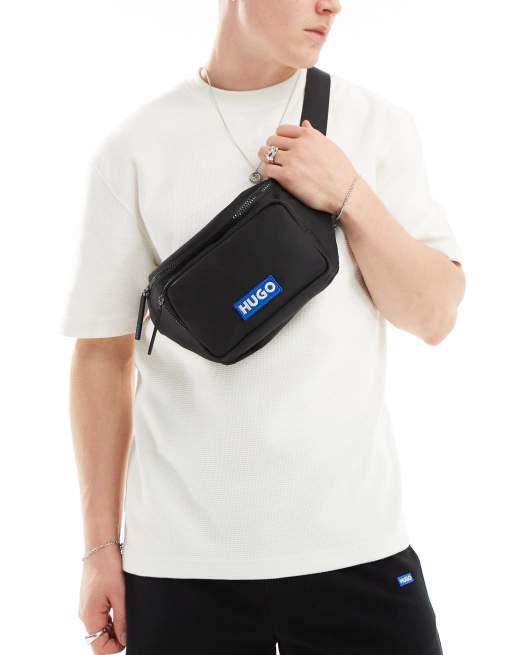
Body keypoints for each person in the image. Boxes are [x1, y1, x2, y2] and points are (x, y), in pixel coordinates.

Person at [59, 1, 466, 653]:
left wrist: (349, 193)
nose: (331, 4)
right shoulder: (135, 147)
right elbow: (102, 357)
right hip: (180, 567)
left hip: (356, 549)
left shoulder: (374, 124)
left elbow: (434, 315)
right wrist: (98, 549)